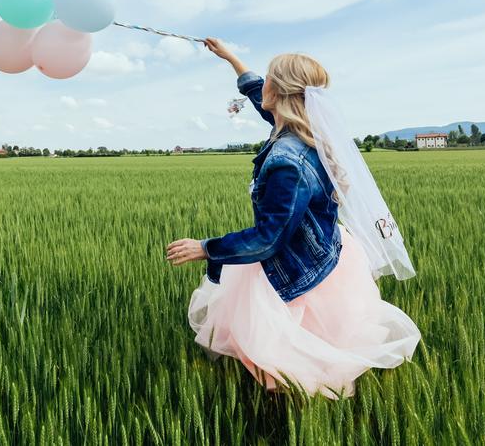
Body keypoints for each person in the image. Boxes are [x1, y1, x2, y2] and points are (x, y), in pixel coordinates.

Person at [165, 38, 421, 399]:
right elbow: (257, 91)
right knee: (314, 352)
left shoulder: (288, 161)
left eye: (269, 77)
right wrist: (231, 58)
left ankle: (287, 411)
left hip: (294, 266)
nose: (263, 83)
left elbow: (269, 238)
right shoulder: (302, 129)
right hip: (324, 253)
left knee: (289, 361)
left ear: (280, 92)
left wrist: (205, 248)